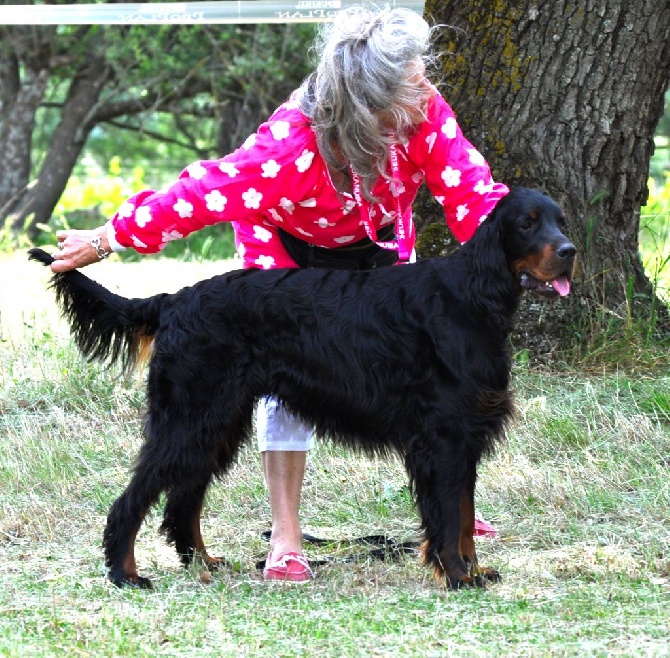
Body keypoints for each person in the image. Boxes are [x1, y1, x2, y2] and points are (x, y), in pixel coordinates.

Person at [51, 5, 509, 583]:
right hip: (286, 250)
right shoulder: (288, 147)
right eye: (413, 78)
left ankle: (447, 512)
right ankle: (285, 537)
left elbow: (474, 195)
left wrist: (526, 244)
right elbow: (197, 197)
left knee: (418, 383)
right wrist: (105, 238)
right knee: (286, 385)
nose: (427, 86)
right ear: (372, 99)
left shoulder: (423, 112)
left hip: (379, 245)